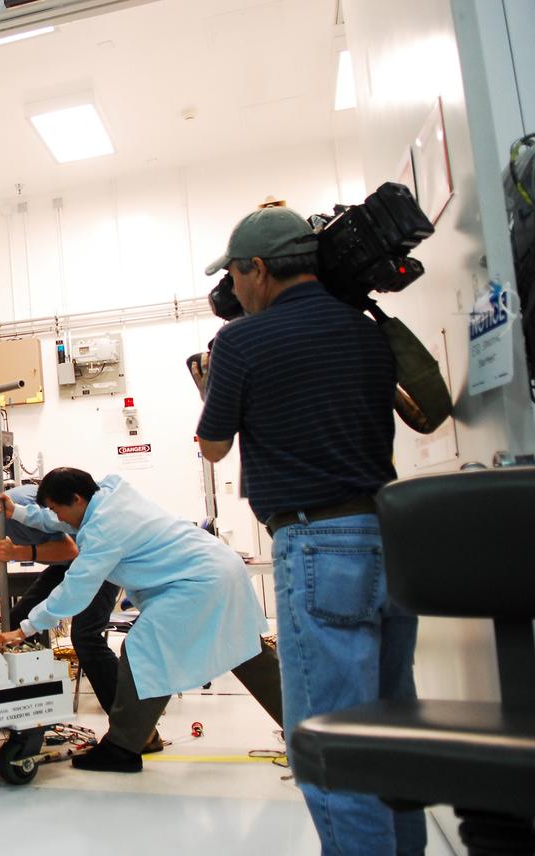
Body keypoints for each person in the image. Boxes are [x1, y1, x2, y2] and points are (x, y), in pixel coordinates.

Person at [195, 206, 424, 856]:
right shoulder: (364, 330)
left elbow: (213, 445)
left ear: (257, 269)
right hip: (394, 542)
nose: (232, 290)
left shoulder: (241, 342)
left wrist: (213, 386)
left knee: (331, 744)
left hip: (320, 546)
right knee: (392, 731)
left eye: (234, 276)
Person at [0, 467, 282, 773]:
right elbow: (63, 520)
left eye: (56, 508)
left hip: (197, 584)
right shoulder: (108, 497)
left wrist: (26, 628)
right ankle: (306, 727)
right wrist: (19, 513)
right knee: (247, 653)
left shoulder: (104, 528)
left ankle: (122, 747)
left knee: (144, 650)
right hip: (217, 569)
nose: (57, 517)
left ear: (77, 498)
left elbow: (75, 590)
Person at [0, 486, 124, 724]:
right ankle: (31, 713)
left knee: (86, 636)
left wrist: (19, 552)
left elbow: (70, 549)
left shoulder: (16, 505)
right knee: (16, 621)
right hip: (68, 565)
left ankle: (129, 725)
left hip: (99, 563)